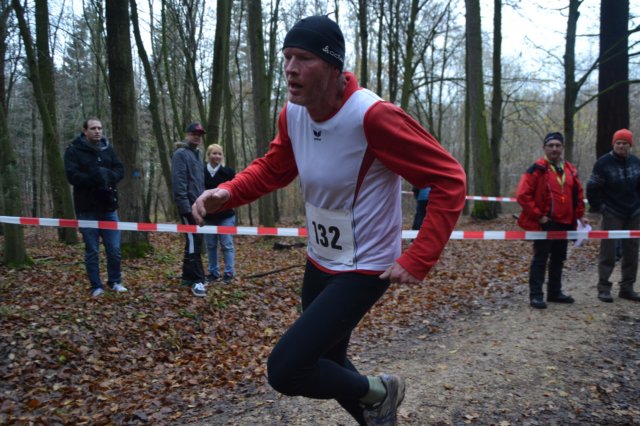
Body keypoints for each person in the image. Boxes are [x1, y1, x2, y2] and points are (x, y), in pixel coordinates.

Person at [192, 15, 466, 426]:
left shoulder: (373, 116)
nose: (290, 68)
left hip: (366, 266)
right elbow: (275, 168)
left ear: (334, 67)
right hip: (320, 258)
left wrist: (420, 255)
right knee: (329, 363)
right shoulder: (293, 113)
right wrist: (228, 192)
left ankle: (382, 391)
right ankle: (378, 410)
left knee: (287, 369)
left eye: (303, 58)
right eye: (287, 57)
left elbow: (449, 179)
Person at [516, 132, 587, 309]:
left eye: (558, 145)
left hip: (565, 222)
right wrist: (539, 216)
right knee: (540, 259)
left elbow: (578, 194)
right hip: (545, 223)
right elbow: (523, 195)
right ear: (544, 148)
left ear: (562, 148)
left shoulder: (570, 169)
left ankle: (554, 292)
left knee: (558, 258)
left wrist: (579, 216)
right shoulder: (536, 169)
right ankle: (536, 295)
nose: (554, 149)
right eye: (551, 145)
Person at [64, 118, 127, 297]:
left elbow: (120, 170)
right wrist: (95, 177)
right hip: (87, 209)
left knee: (114, 249)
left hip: (109, 208)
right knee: (92, 250)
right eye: (93, 128)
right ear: (85, 131)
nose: (97, 131)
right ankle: (96, 286)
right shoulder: (73, 150)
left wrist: (108, 176)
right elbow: (72, 176)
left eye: (100, 128)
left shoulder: (108, 149)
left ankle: (115, 281)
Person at [586, 128, 640, 303]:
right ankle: (604, 288)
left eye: (624, 143)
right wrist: (600, 208)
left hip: (634, 212)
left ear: (630, 145)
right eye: (618, 143)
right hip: (612, 212)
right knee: (608, 251)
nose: (621, 146)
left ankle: (627, 287)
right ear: (613, 144)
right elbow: (592, 187)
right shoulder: (603, 163)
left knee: (632, 252)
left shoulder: (635, 162)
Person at [172, 122, 207, 297]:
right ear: (187, 135)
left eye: (199, 134)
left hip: (198, 206)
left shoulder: (197, 155)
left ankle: (187, 276)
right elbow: (179, 182)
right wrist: (186, 208)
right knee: (194, 241)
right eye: (194, 133)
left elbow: (199, 183)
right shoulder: (181, 154)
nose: (197, 137)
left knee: (195, 241)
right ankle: (197, 280)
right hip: (188, 207)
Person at [203, 143, 236, 284]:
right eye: (214, 153)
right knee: (210, 245)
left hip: (226, 215)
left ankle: (229, 273)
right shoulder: (201, 172)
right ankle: (213, 273)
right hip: (208, 216)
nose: (216, 156)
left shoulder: (229, 172)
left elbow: (235, 192)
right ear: (208, 155)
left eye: (219, 154)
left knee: (227, 244)